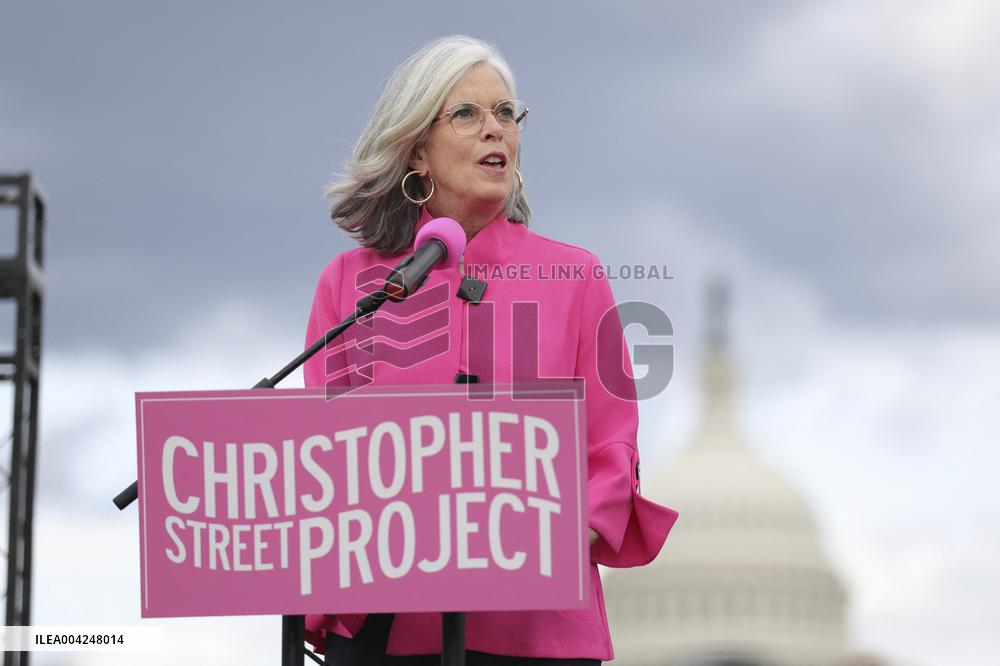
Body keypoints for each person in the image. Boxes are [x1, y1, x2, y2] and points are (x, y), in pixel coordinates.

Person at [303, 35, 678, 665]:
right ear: (416, 150)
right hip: (385, 626)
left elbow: (611, 451)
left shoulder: (576, 277)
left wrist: (539, 545)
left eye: (506, 113)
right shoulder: (351, 283)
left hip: (531, 627)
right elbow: (322, 451)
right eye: (467, 114)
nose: (494, 130)